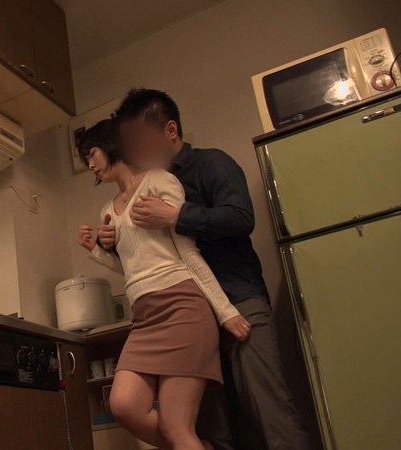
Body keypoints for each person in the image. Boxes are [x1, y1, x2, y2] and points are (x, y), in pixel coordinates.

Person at [98, 88, 312, 450]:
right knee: (215, 429)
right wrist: (108, 243)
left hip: (238, 300)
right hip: (192, 313)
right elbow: (155, 257)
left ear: (170, 130)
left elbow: (241, 217)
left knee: (269, 411)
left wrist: (177, 215)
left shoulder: (211, 163)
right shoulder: (150, 183)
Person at [75, 119, 252, 450]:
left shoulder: (158, 180)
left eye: (91, 153)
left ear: (112, 142)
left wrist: (225, 311)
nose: (90, 165)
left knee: (175, 426)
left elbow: (187, 252)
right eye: (85, 160)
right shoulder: (107, 210)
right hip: (144, 318)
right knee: (124, 405)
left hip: (182, 307)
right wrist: (95, 250)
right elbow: (133, 269)